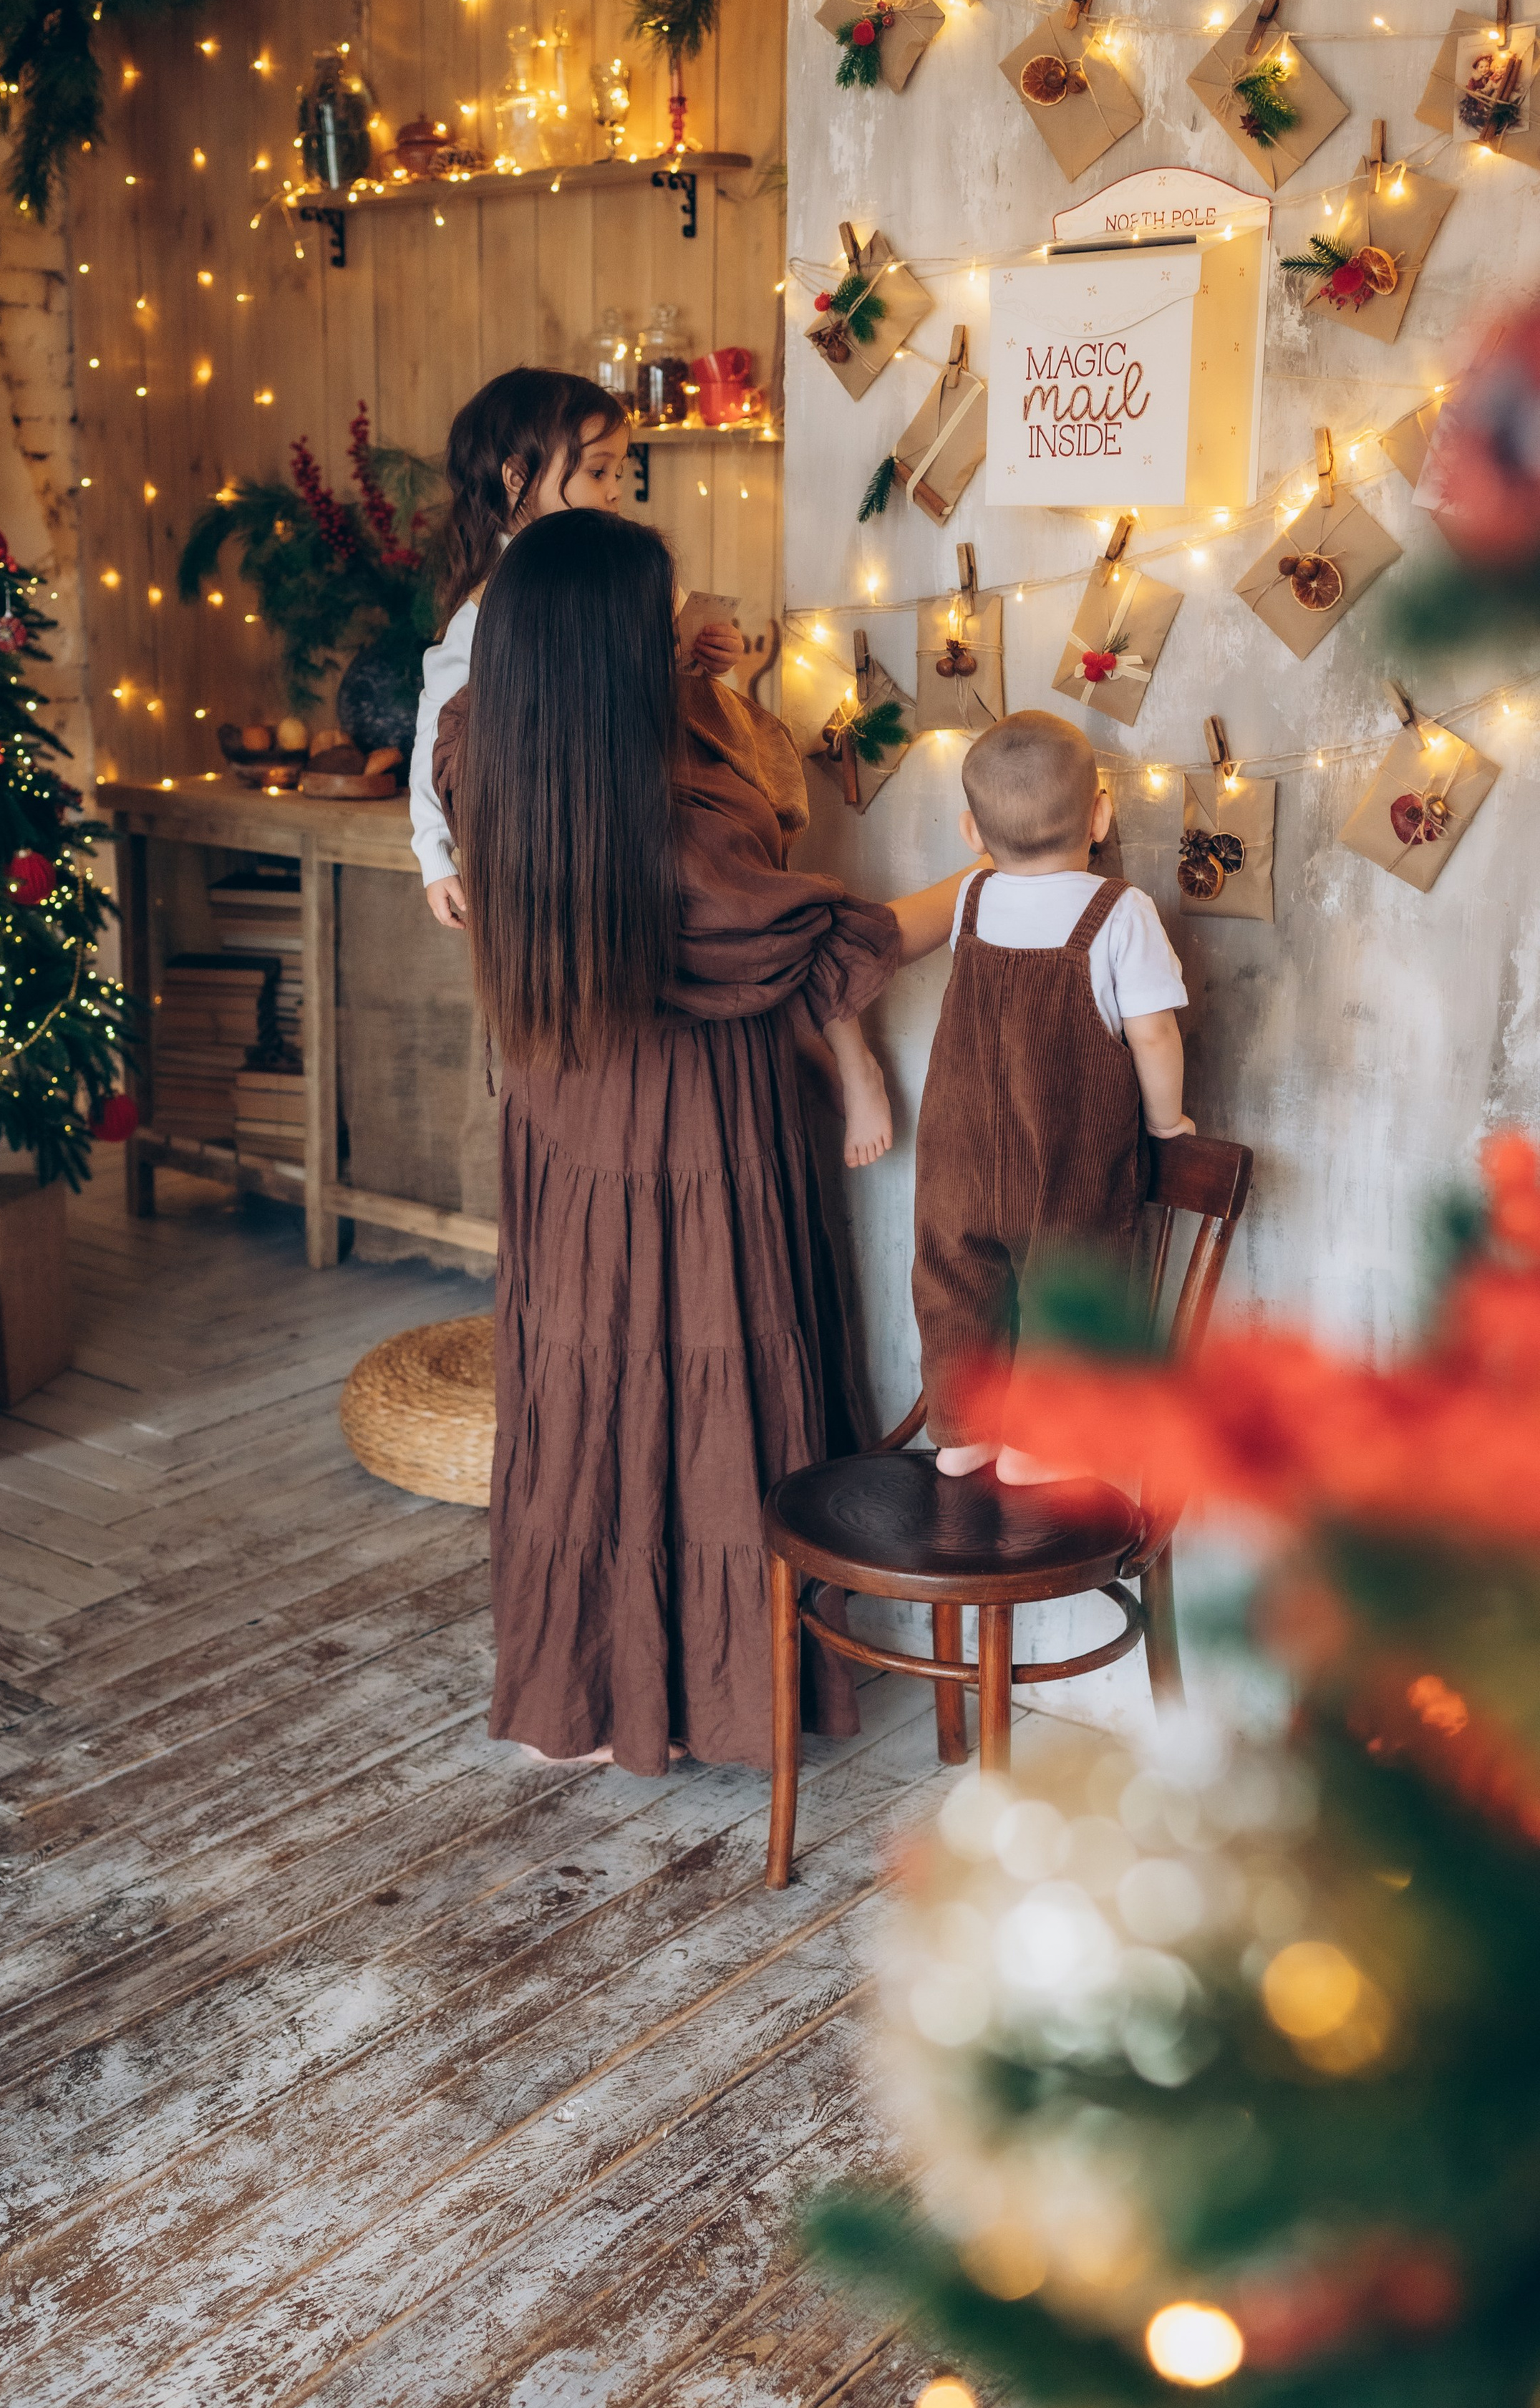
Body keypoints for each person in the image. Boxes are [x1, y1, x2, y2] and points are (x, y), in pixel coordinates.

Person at [435, 510, 951, 1773]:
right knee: (699, 1388)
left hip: (566, 1111)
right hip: (692, 1127)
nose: (681, 629)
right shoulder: (673, 825)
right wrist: (993, 872)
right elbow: (824, 939)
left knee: (590, 1388)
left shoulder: (483, 747)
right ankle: (713, 1695)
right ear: (611, 652)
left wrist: (703, 672)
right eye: (660, 618)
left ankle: (590, 1683)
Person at [913, 710, 1193, 1486]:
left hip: (956, 1157)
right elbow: (1153, 1037)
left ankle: (963, 1433)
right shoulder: (1118, 912)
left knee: (953, 1281)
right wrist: (1166, 1122)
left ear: (972, 830)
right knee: (1069, 1289)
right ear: (1099, 815)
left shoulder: (971, 900)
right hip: (1065, 1160)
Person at [408, 367, 743, 925]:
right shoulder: (491, 604)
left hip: (645, 820)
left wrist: (707, 656)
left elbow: (680, 677)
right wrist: (434, 853)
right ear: (517, 477)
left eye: (619, 469)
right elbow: (437, 728)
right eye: (596, 470)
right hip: (544, 842)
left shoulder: (635, 569)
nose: (615, 488)